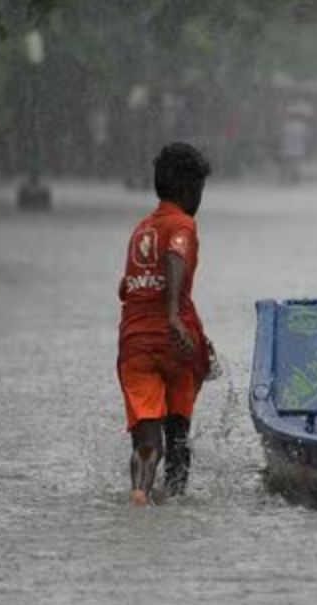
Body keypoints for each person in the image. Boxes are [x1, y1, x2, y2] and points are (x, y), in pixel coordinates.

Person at [117, 142, 213, 507]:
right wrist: (172, 314)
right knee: (178, 437)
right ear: (189, 188)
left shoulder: (141, 230)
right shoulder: (182, 225)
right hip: (177, 343)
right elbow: (175, 255)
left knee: (147, 438)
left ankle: (140, 491)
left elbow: (127, 287)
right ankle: (175, 500)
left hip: (136, 345)